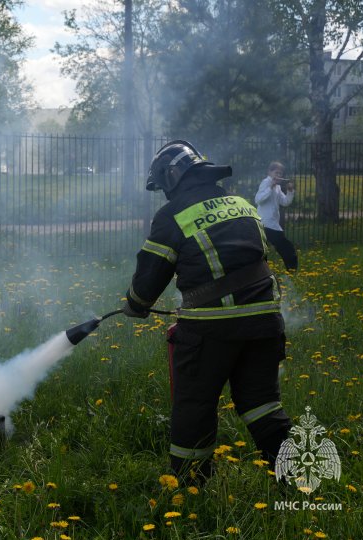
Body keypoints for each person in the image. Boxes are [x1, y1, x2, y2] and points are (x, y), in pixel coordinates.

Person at [122, 140, 291, 484]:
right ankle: (299, 480)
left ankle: (190, 489)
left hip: (211, 331)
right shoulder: (241, 203)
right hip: (265, 323)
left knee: (195, 407)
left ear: (172, 177)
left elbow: (148, 280)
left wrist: (135, 304)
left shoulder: (173, 215)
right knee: (262, 404)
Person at [255, 161, 297, 270]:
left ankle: (263, 272)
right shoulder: (266, 182)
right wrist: (270, 187)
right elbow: (258, 200)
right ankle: (292, 271)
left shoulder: (277, 186)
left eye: (280, 174)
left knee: (264, 249)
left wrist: (290, 191)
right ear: (269, 172)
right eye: (276, 173)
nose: (278, 175)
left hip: (272, 223)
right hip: (265, 223)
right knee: (287, 247)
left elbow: (285, 202)